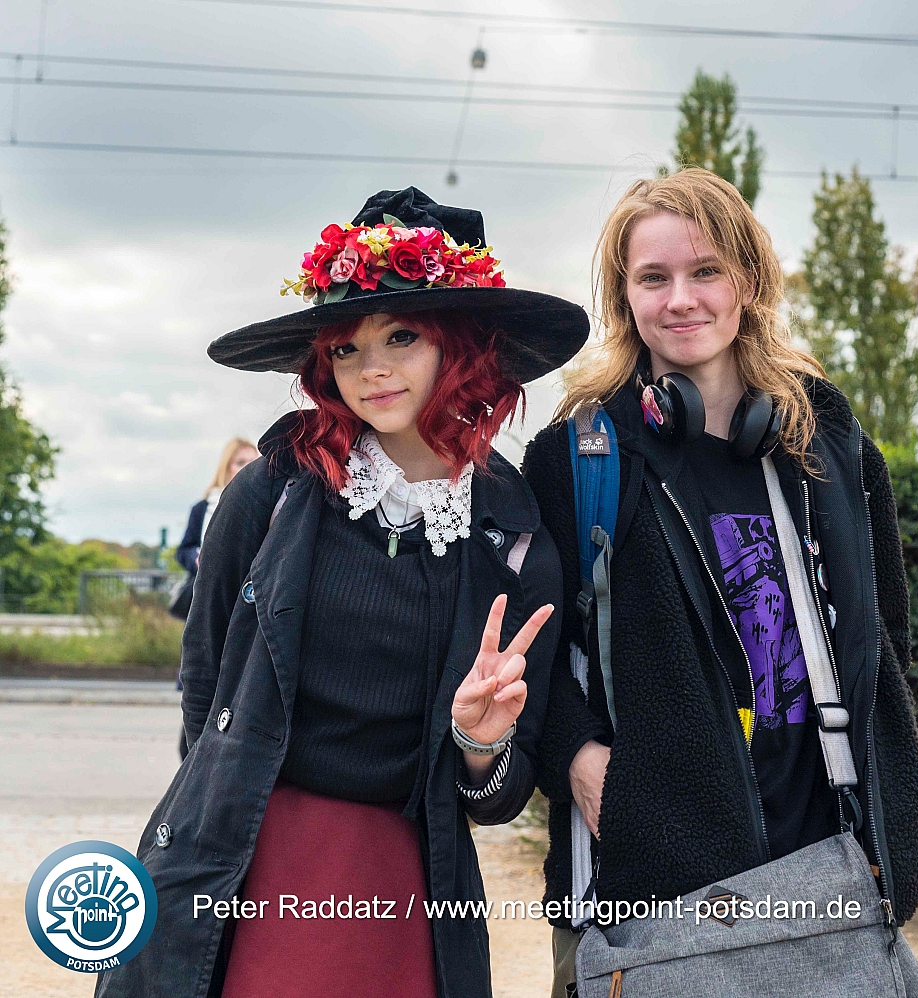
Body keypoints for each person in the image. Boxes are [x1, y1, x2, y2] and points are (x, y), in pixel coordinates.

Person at [99, 187, 589, 998]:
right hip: (250, 863)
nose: (373, 369)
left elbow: (497, 800)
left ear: (464, 348)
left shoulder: (517, 538)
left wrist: (479, 742)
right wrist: (217, 835)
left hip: (407, 880)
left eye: (402, 336)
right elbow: (206, 689)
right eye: (347, 349)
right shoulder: (271, 491)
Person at [523, 169, 918, 996]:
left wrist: (891, 827)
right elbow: (530, 651)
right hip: (652, 881)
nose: (680, 299)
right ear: (624, 296)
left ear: (748, 280)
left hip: (820, 860)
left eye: (705, 270)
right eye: (653, 277)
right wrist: (577, 756)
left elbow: (884, 638)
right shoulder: (575, 458)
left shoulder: (830, 445)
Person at [170, 438, 259, 619]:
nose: (248, 468)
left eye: (253, 462)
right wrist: (197, 559)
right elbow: (184, 550)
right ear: (226, 468)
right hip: (209, 597)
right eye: (241, 462)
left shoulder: (268, 508)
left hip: (250, 597)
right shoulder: (202, 509)